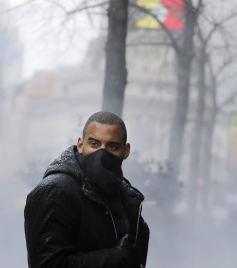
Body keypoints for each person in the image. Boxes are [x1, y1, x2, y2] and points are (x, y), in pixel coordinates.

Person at [24, 111, 150, 268]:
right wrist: (114, 258)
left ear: (126, 151)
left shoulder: (124, 196)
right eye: (95, 144)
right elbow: (47, 264)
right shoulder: (55, 191)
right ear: (80, 145)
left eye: (112, 146)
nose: (102, 153)